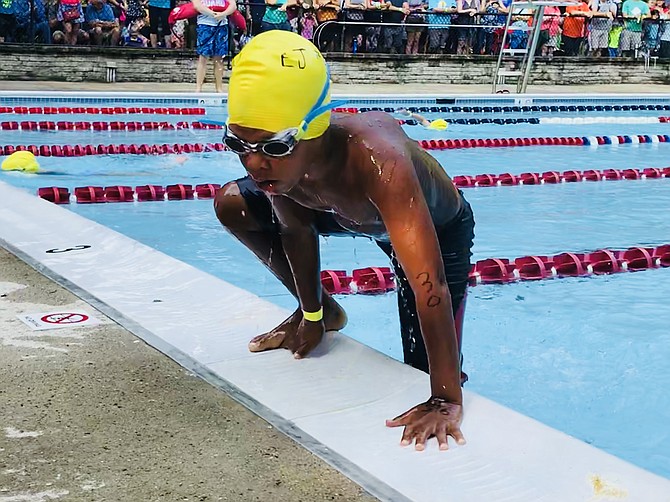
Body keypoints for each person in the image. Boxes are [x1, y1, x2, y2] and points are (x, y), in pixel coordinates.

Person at [214, 30, 474, 451]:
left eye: (274, 146)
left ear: (312, 130)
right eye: (238, 143)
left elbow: (433, 288)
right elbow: (296, 230)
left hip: (434, 227)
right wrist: (313, 314)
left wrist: (445, 400)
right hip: (343, 214)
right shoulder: (285, 169)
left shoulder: (380, 165)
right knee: (231, 204)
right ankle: (327, 310)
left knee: (422, 364)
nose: (254, 163)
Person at [193, 0, 236, 92]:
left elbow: (233, 5)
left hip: (222, 24)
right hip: (205, 24)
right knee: (203, 57)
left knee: (219, 58)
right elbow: (197, 6)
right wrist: (213, 13)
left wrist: (223, 14)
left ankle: (219, 88)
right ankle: (198, 88)